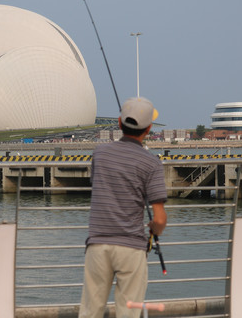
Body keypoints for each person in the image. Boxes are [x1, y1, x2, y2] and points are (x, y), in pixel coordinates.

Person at [79, 97, 168, 318]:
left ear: (119, 123)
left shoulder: (99, 154)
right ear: (148, 129)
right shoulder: (152, 163)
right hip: (131, 247)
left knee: (90, 310)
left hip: (98, 244)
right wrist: (154, 231)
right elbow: (159, 219)